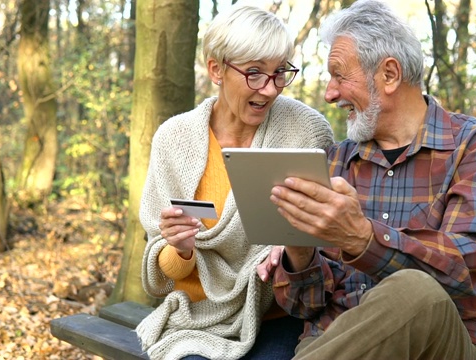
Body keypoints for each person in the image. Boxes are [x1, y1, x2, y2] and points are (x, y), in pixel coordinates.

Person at [256, 1, 476, 359]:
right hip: (335, 344)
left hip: (439, 346)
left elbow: (469, 271)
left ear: (389, 74)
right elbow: (306, 307)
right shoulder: (336, 160)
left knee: (414, 289)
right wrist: (299, 249)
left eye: (339, 75)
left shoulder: (474, 145)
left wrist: (361, 238)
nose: (329, 94)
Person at [134, 3, 334, 360]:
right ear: (216, 69)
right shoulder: (173, 139)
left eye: (279, 73)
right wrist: (180, 249)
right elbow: (162, 270)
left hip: (278, 315)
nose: (270, 89)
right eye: (254, 73)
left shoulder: (308, 131)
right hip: (195, 318)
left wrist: (295, 247)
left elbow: (329, 239)